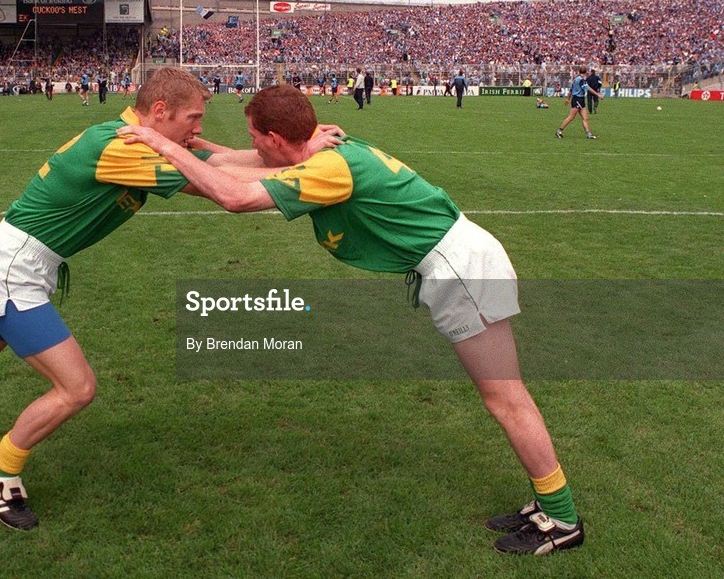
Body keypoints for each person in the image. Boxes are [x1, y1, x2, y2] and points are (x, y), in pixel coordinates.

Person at [117, 84, 585, 556]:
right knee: (503, 395)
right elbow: (231, 166)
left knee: (505, 396)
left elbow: (235, 196)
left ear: (277, 138)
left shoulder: (327, 167)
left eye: (255, 135)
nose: (252, 142)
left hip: (463, 270)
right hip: (459, 262)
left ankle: (562, 519)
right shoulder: (319, 147)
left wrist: (162, 146)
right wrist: (193, 150)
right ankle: (549, 502)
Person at [0, 68, 221, 532]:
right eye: (193, 117)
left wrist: (294, 159)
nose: (198, 128)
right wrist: (296, 171)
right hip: (14, 269)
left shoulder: (128, 139)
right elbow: (216, 186)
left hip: (7, 258)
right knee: (77, 388)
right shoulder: (122, 147)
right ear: (159, 112)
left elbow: (211, 165)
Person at [557, 67, 603, 139]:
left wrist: (568, 99)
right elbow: (588, 88)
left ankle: (588, 134)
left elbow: (571, 90)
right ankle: (559, 131)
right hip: (577, 100)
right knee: (571, 117)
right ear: (586, 72)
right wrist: (598, 95)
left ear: (579, 71)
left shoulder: (576, 79)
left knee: (585, 118)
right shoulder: (581, 80)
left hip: (579, 100)